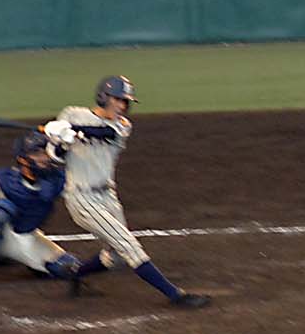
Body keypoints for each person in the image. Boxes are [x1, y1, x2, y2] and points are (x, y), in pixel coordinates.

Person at [43, 76, 212, 308]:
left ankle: (76, 272)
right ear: (104, 97)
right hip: (81, 198)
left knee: (117, 257)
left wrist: (75, 131)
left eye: (125, 102)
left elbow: (105, 134)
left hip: (107, 195)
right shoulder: (71, 114)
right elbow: (54, 156)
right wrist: (62, 140)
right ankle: (176, 295)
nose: (122, 106)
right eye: (119, 100)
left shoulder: (122, 125)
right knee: (128, 245)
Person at [0, 132, 93, 287]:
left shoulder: (56, 179)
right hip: (0, 236)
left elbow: (81, 174)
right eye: (37, 153)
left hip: (25, 237)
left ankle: (33, 264)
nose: (43, 157)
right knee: (0, 211)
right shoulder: (3, 180)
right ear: (22, 159)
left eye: (45, 152)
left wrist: (70, 144)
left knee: (69, 268)